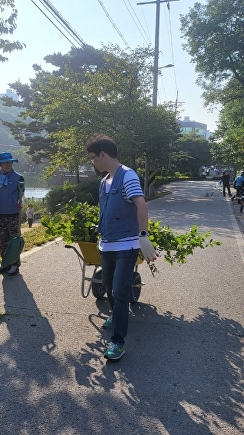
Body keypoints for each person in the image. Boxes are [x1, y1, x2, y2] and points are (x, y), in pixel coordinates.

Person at [86, 134, 158, 361]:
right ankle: (117, 315)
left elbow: (141, 204)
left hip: (126, 246)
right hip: (106, 245)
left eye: (93, 158)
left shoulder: (127, 176)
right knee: (107, 285)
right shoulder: (104, 181)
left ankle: (118, 342)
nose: (92, 163)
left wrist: (143, 236)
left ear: (103, 155)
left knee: (120, 290)